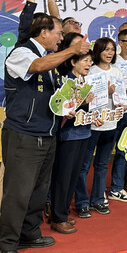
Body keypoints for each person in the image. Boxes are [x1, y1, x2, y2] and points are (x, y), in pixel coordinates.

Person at [0, 15, 89, 253]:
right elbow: (37, 66)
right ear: (43, 32)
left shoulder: (52, 63)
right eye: (58, 33)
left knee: (38, 190)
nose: (61, 38)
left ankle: (29, 233)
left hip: (48, 135)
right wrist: (71, 50)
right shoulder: (21, 53)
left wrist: (68, 107)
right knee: (18, 192)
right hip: (24, 136)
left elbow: (52, 97)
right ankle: (5, 246)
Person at [50, 38, 102, 234]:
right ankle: (57, 217)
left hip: (84, 133)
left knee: (74, 175)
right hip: (68, 135)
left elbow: (86, 111)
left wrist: (95, 116)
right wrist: (80, 101)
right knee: (62, 176)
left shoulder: (86, 82)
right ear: (73, 62)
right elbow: (62, 109)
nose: (89, 64)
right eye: (85, 60)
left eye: (90, 61)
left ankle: (63, 213)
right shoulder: (65, 82)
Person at [74, 38, 124, 217]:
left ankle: (98, 199)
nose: (109, 53)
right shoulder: (90, 71)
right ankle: (81, 202)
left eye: (112, 49)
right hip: (92, 125)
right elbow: (84, 98)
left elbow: (122, 97)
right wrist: (106, 92)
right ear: (98, 51)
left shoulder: (117, 71)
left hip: (111, 124)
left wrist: (123, 104)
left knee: (102, 164)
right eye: (106, 49)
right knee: (84, 166)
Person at [107, 29, 127, 203]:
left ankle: (116, 188)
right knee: (105, 154)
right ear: (120, 42)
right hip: (113, 112)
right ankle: (97, 191)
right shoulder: (113, 61)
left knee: (123, 151)